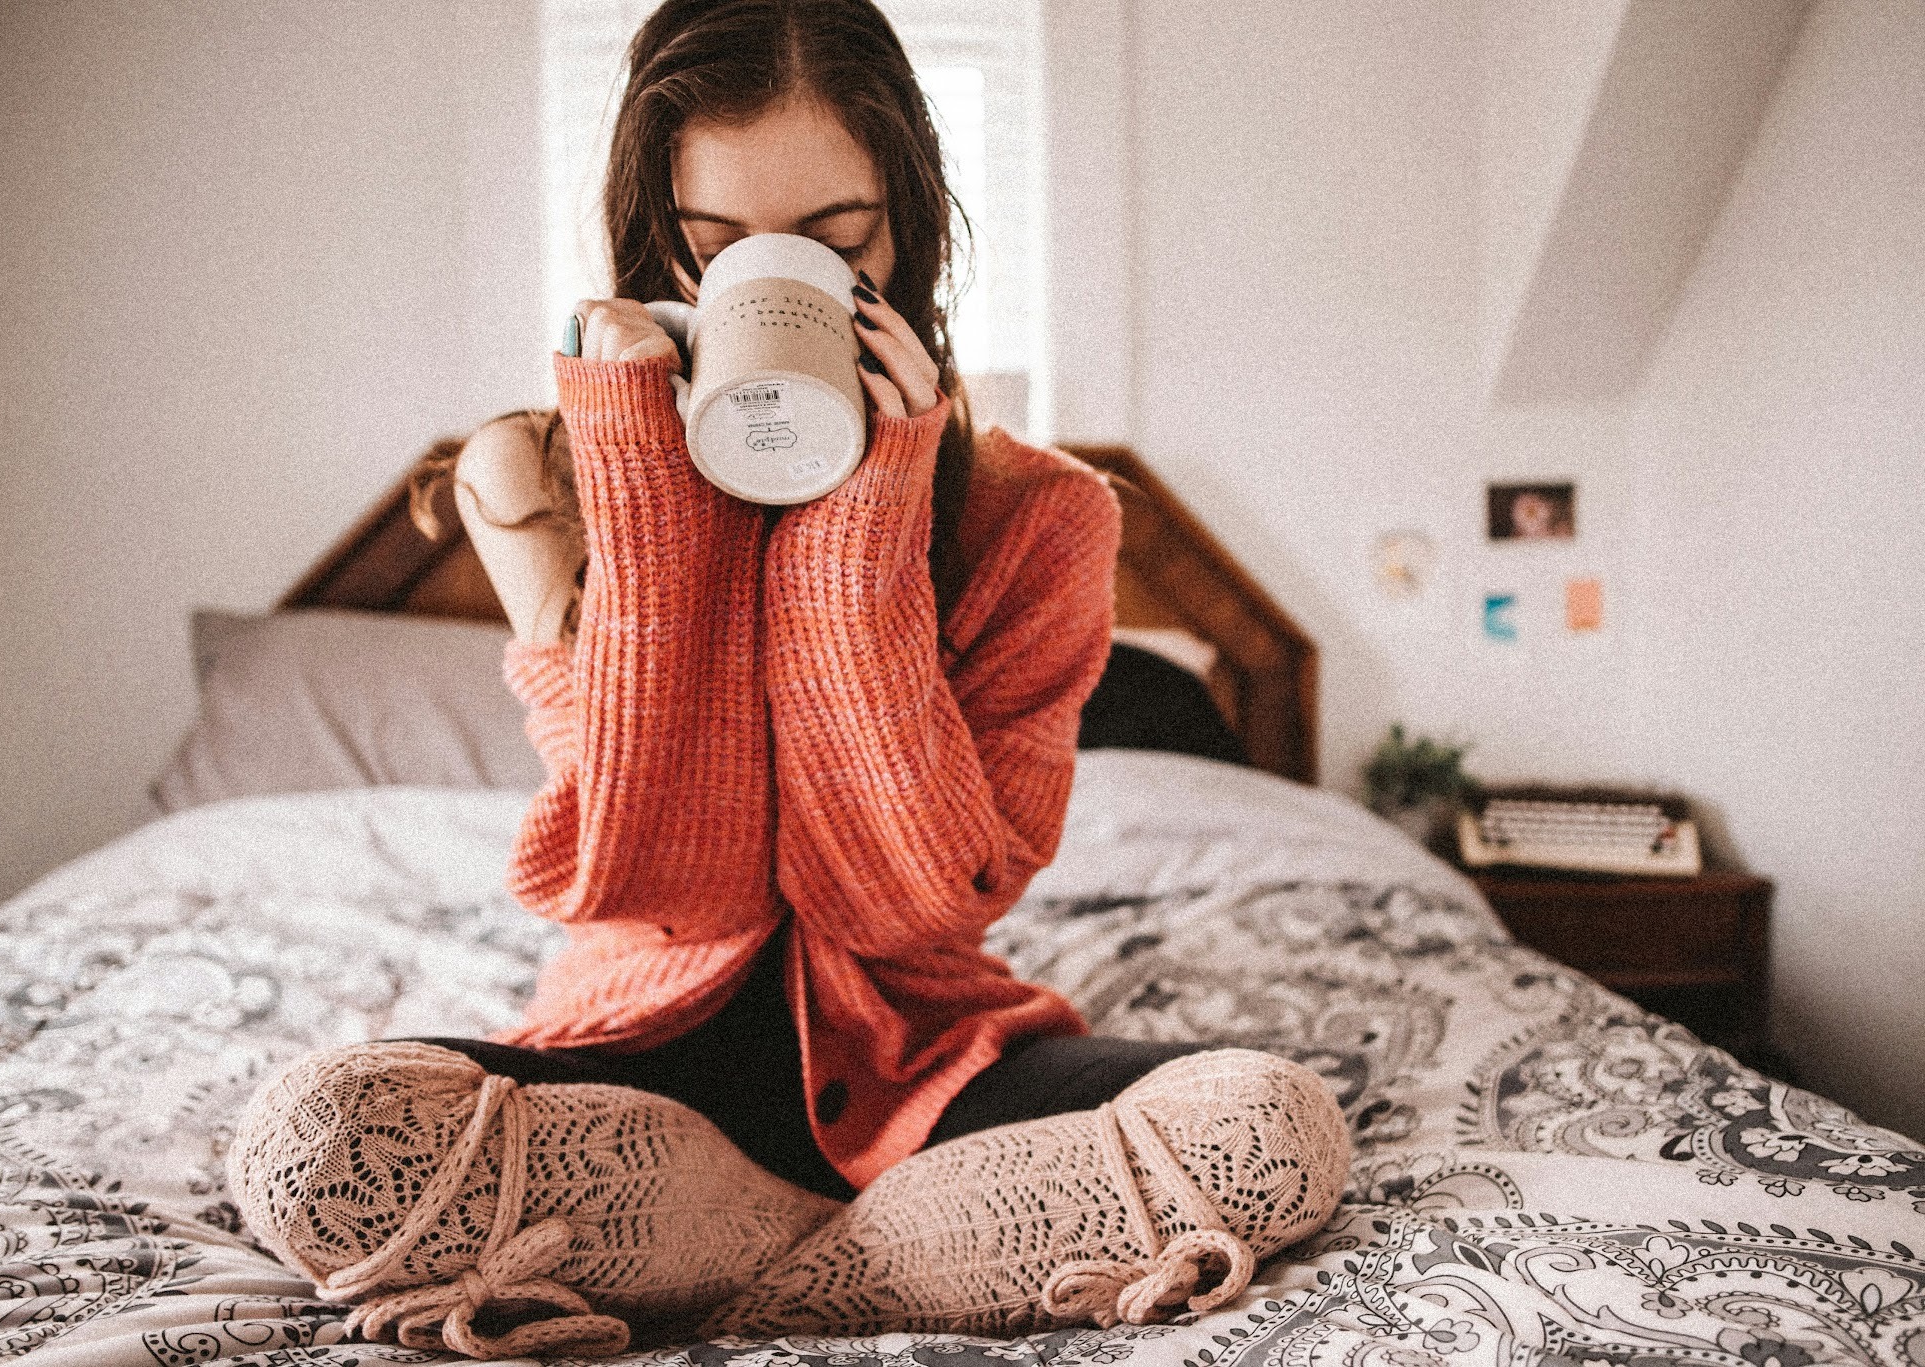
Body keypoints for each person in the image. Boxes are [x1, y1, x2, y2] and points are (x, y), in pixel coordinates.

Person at [225, 1, 1349, 1355]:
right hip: (638, 1071)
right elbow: (654, 880)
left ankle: (752, 1265)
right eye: (720, 252)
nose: (778, 284)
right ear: (661, 242)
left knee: (1272, 1131)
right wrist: (648, 484)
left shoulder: (1046, 520)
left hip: (923, 1060)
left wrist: (862, 513)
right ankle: (889, 1243)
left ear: (909, 223)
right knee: (315, 1146)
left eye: (836, 244)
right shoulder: (535, 472)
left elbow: (908, 901)